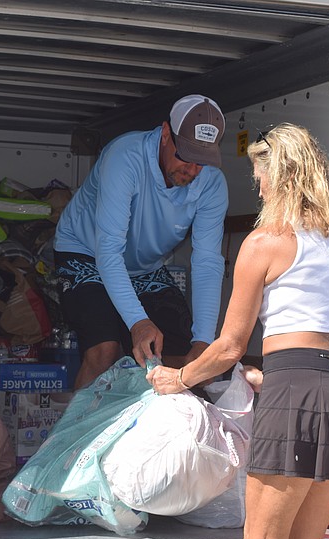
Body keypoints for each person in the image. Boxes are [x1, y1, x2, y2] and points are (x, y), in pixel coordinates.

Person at [147, 123, 329, 539]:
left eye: (261, 176)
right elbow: (318, 333)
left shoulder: (265, 241)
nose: (259, 187)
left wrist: (178, 379)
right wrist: (270, 374)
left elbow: (229, 346)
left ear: (282, 174)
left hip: (297, 391)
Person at [53, 94, 229, 390]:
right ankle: (72, 436)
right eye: (185, 154)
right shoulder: (126, 157)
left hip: (144, 267)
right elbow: (108, 250)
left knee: (184, 357)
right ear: (164, 134)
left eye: (203, 160)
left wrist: (203, 342)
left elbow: (208, 263)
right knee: (104, 350)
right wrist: (137, 321)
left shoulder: (212, 184)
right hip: (86, 253)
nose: (192, 169)